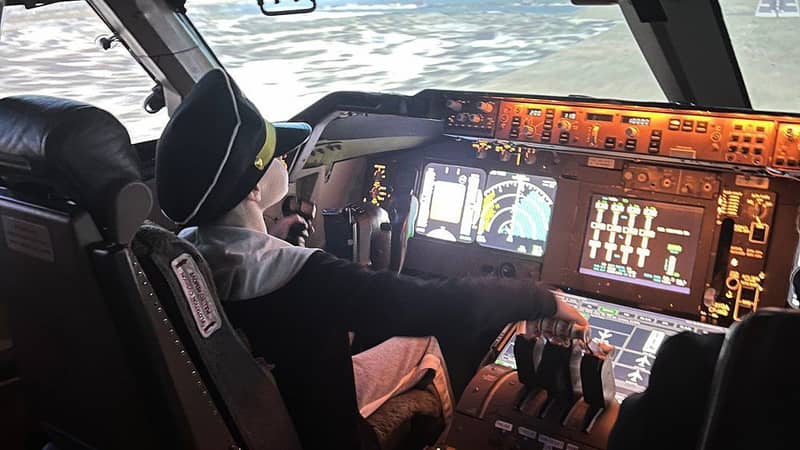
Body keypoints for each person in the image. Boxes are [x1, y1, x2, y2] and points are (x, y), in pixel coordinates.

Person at [156, 69, 587, 450]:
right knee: (425, 344)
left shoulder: (177, 255)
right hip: (320, 429)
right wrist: (540, 299)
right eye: (275, 157)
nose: (285, 161)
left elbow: (245, 261)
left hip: (266, 402)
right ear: (252, 190)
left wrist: (278, 238)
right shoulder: (304, 277)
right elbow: (442, 307)